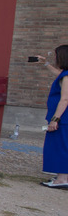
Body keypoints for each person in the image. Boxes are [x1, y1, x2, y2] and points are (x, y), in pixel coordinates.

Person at [42, 45, 68, 188]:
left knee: (61, 146)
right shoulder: (64, 75)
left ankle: (62, 179)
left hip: (63, 119)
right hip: (63, 118)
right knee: (62, 145)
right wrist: (45, 64)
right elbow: (58, 74)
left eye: (56, 56)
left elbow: (65, 99)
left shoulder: (67, 76)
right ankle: (63, 176)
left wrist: (55, 119)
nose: (55, 58)